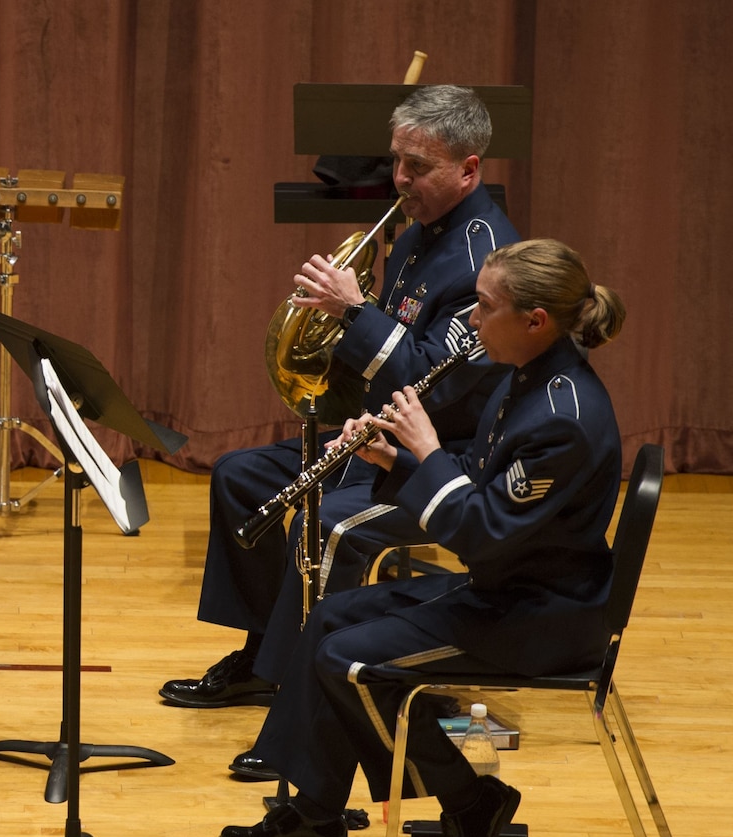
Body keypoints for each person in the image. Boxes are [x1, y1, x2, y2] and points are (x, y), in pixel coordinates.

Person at [216, 240, 628, 837]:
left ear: (535, 321)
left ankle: (471, 801)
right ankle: (316, 816)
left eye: (485, 307)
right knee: (329, 615)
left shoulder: (563, 419)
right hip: (510, 588)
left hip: (539, 617)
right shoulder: (525, 379)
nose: (471, 320)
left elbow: (481, 533)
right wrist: (393, 460)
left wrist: (427, 448)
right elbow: (482, 494)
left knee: (350, 660)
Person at [161, 86, 519, 744]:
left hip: (436, 460)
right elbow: (393, 354)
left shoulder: (485, 262)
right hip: (376, 439)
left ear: (469, 169)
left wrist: (355, 312)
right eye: (397, 161)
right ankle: (261, 657)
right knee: (241, 477)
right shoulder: (416, 233)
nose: (400, 179)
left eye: (418, 166)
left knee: (329, 526)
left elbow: (433, 387)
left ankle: (302, 700)